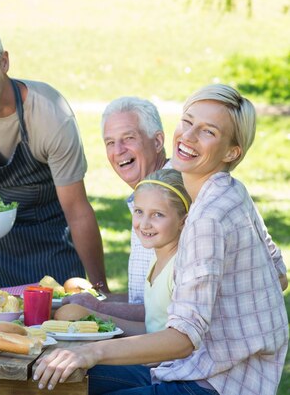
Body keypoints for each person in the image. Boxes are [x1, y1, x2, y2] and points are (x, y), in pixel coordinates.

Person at [33, 84, 288, 395]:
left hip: (215, 383)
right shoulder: (232, 191)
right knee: (54, 380)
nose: (188, 137)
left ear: (232, 151)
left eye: (208, 132)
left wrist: (91, 351)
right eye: (187, 121)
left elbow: (182, 339)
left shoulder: (205, 217)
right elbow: (279, 274)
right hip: (200, 368)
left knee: (61, 381)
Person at [0, 21, 107, 295]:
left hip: (48, 238)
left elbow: (77, 211)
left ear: (4, 62)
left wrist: (101, 291)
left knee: (62, 325)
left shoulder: (51, 115)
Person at [66, 97, 170, 321]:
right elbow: (143, 301)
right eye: (110, 143)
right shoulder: (146, 195)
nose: (118, 151)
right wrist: (99, 299)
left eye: (128, 138)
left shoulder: (172, 199)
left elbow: (170, 312)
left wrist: (97, 308)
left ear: (158, 141)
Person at [87, 168, 190, 336]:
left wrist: (93, 315)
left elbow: (175, 342)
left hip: (169, 362)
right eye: (139, 211)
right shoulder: (157, 260)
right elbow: (151, 329)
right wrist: (91, 317)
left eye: (157, 214)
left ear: (183, 221)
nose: (144, 224)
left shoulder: (179, 268)